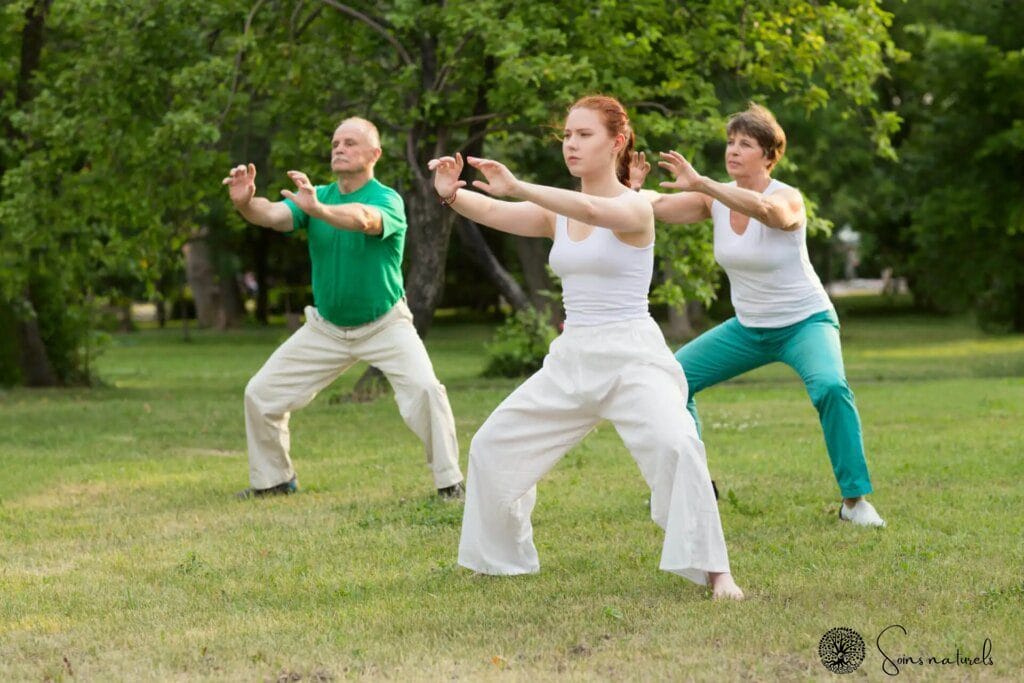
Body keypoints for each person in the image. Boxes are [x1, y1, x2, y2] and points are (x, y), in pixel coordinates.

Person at [429, 95, 744, 599]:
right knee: (491, 446)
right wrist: (451, 195)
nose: (571, 145)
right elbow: (495, 210)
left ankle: (715, 570)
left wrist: (518, 185)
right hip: (572, 359)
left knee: (677, 445)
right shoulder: (557, 214)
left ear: (617, 143)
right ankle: (500, 561)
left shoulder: (636, 206)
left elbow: (595, 208)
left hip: (633, 359)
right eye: (567, 136)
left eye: (584, 135)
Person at [630, 103, 884, 527]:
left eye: (745, 144)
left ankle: (855, 502)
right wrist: (631, 190)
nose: (733, 150)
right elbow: (655, 206)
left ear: (769, 156)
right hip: (748, 329)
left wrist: (704, 183)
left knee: (830, 388)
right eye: (730, 142)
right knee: (672, 380)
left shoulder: (787, 196)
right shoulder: (712, 201)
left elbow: (772, 215)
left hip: (805, 322)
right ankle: (696, 486)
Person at [222, 117, 464, 500]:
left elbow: (363, 220)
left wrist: (317, 210)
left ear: (374, 154)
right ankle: (274, 481)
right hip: (326, 328)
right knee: (260, 393)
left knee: (426, 391)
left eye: (350, 143)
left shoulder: (386, 199)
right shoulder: (314, 196)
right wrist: (245, 203)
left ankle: (450, 482)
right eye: (336, 142)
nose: (339, 148)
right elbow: (271, 215)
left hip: (385, 324)